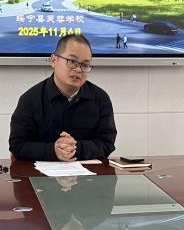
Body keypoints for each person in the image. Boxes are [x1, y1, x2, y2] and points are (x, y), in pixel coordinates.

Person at [9, 34, 117, 162]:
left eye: (85, 65)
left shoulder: (100, 99)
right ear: (54, 61)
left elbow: (107, 144)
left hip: (87, 177)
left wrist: (75, 148)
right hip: (40, 177)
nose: (78, 69)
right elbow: (17, 145)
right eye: (72, 62)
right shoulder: (30, 99)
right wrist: (53, 150)